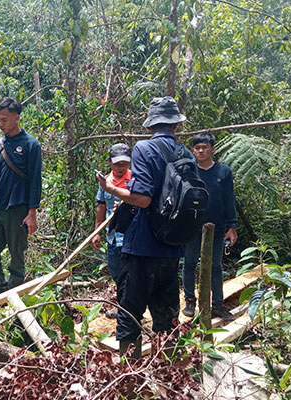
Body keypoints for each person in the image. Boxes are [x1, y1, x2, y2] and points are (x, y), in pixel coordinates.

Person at [96, 96, 189, 358]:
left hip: (143, 246)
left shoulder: (144, 149)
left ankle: (129, 376)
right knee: (167, 314)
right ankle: (168, 371)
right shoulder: (185, 153)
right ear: (176, 126)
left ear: (150, 127)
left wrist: (111, 189)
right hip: (172, 245)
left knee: (130, 313)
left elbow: (143, 198)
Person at [0, 97, 42, 295]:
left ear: (17, 118)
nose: (1, 124)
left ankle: (15, 296)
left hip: (19, 207)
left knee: (17, 255)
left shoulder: (31, 145)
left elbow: (35, 181)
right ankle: (1, 291)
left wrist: (32, 213)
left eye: (4, 119)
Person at [182, 133, 238, 321]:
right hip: (191, 225)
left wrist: (232, 226)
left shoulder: (223, 172)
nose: (200, 150)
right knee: (189, 262)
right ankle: (190, 300)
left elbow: (229, 200)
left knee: (215, 266)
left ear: (212, 149)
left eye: (204, 147)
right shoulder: (189, 171)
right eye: (197, 147)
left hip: (217, 227)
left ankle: (218, 305)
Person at [91, 143, 132, 318]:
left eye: (124, 163)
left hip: (130, 237)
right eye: (117, 164)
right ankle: (124, 308)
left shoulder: (135, 181)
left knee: (129, 275)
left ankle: (130, 311)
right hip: (112, 237)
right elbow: (101, 207)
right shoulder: (105, 181)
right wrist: (97, 231)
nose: (121, 167)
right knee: (116, 273)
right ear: (110, 162)